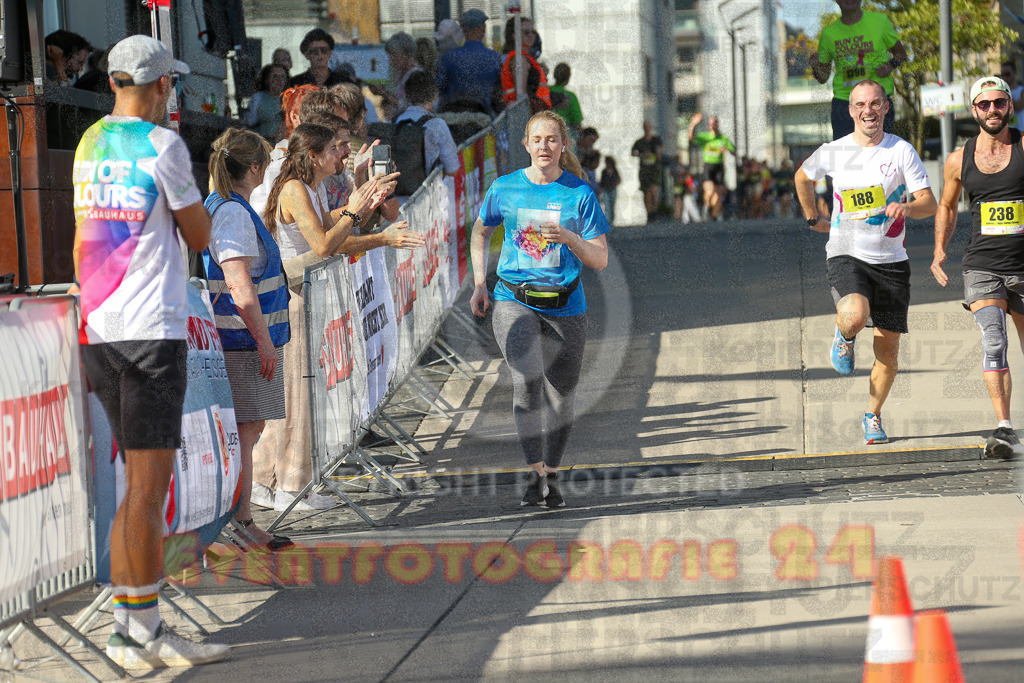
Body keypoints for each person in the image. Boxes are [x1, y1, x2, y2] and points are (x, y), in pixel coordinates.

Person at [73, 34, 227, 668]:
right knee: (146, 491)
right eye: (174, 85)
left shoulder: (89, 141)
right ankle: (143, 633)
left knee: (133, 486)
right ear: (164, 86)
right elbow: (200, 233)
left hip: (98, 329)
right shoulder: (163, 145)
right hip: (149, 330)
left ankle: (131, 630)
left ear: (113, 82)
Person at [253, 122, 396, 511]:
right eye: (335, 149)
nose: (343, 155)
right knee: (296, 394)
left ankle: (268, 482)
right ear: (313, 155)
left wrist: (362, 202)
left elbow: (330, 228)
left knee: (295, 393)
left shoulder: (306, 188)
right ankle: (289, 486)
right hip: (294, 297)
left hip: (299, 295)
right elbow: (323, 244)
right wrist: (359, 213)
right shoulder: (297, 189)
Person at [469, 110, 610, 507]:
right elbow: (480, 231)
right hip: (514, 298)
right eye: (537, 139)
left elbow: (600, 260)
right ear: (526, 145)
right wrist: (481, 282)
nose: (545, 147)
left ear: (563, 146)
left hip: (566, 304)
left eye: (552, 139)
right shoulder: (505, 188)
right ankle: (535, 476)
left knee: (563, 395)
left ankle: (552, 473)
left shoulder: (579, 194)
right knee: (527, 381)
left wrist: (568, 238)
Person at [794, 79, 936, 445]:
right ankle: (843, 336)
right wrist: (814, 218)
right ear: (851, 110)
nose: (868, 111)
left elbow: (929, 203)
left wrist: (906, 206)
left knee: (887, 351)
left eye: (875, 104)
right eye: (860, 105)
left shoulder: (901, 151)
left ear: (886, 107)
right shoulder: (835, 150)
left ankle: (872, 415)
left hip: (891, 260)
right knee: (855, 314)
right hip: (847, 252)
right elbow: (803, 177)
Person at [202, 128, 293, 551]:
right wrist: (264, 341)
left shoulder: (225, 206)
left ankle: (239, 522)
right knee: (245, 429)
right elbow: (239, 286)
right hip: (239, 342)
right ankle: (241, 523)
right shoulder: (234, 213)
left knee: (247, 429)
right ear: (254, 167)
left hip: (239, 340)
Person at [931, 76, 1024, 459]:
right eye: (984, 105)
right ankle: (1004, 428)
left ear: (1009, 107)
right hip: (982, 264)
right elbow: (947, 206)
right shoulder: (959, 159)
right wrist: (939, 250)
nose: (992, 110)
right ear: (973, 110)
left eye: (999, 103)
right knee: (994, 340)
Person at [809, 0, 906, 139]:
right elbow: (823, 77)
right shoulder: (828, 34)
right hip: (844, 104)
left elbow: (901, 53)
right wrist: (815, 67)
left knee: (879, 152)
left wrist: (891, 65)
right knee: (846, 156)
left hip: (877, 100)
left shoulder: (879, 22)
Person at [393, 70, 460, 200]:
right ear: (434, 96)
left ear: (407, 95)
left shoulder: (393, 122)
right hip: (428, 199)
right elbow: (453, 169)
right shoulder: (437, 124)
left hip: (398, 200)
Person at [435, 9, 502, 114]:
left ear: (463, 29)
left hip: (452, 118)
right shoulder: (495, 58)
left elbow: (438, 87)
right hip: (485, 118)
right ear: (484, 29)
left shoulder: (448, 57)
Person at [687, 113, 734, 222]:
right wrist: (693, 124)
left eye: (715, 123)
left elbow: (733, 151)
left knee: (718, 194)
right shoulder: (705, 137)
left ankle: (713, 215)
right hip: (708, 166)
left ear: (717, 124)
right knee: (709, 191)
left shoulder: (723, 138)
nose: (713, 125)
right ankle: (706, 207)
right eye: (711, 124)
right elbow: (690, 137)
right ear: (708, 126)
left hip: (719, 167)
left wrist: (727, 149)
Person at [499, 16, 550, 109]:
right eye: (526, 32)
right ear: (514, 36)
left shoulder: (525, 58)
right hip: (524, 116)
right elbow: (522, 97)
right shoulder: (519, 60)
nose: (531, 36)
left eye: (533, 32)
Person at [244, 64, 288, 140]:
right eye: (275, 76)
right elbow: (248, 123)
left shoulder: (291, 98)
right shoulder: (257, 98)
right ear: (267, 80)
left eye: (282, 77)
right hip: (264, 142)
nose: (279, 80)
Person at [632, 120, 664, 223]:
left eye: (648, 127)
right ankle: (649, 213)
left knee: (654, 190)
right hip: (644, 169)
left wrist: (659, 154)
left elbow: (662, 146)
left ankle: (655, 212)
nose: (647, 129)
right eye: (645, 127)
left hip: (653, 168)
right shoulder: (640, 142)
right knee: (646, 191)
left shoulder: (655, 139)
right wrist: (642, 155)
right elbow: (633, 152)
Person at [549, 63, 583, 139]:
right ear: (568, 77)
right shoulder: (570, 96)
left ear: (554, 75)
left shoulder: (547, 90)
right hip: (565, 133)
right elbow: (577, 120)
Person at [999, 62, 1024, 133]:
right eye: (1002, 75)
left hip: (1021, 130)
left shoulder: (1021, 90)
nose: (1005, 78)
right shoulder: (1001, 92)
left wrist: (1005, 93)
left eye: (1007, 74)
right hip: (1007, 132)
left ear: (1014, 73)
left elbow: (1019, 107)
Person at [598, 155, 620, 226]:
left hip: (612, 189)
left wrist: (615, 184)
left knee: (612, 205)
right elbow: (602, 182)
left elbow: (619, 180)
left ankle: (612, 220)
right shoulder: (604, 171)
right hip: (606, 190)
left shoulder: (615, 171)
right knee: (607, 205)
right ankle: (608, 221)